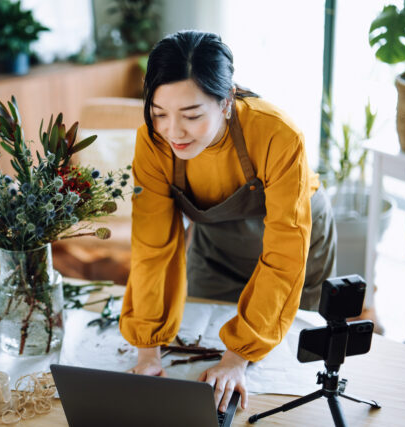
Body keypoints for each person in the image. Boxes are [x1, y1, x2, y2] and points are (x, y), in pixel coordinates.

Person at [119, 31, 337, 413]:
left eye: (191, 115)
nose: (173, 131)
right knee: (201, 351)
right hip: (216, 241)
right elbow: (152, 247)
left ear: (226, 101)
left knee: (292, 370)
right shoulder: (152, 144)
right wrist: (147, 352)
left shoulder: (278, 134)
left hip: (297, 237)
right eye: (159, 113)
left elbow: (284, 255)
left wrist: (237, 357)